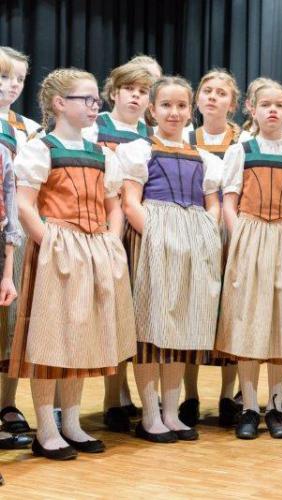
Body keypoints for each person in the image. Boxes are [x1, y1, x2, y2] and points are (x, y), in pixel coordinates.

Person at [9, 68, 137, 460]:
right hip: (57, 247)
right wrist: (50, 242)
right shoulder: (41, 149)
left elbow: (114, 205)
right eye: (87, 99)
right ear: (60, 103)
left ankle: (72, 423)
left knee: (81, 336)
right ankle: (46, 430)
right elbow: (24, 204)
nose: (95, 106)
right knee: (51, 338)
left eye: (97, 100)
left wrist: (111, 241)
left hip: (94, 248)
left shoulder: (102, 154)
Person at [118, 76, 223, 443]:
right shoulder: (139, 150)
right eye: (166, 105)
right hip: (153, 239)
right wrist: (159, 235)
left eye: (181, 106)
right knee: (151, 329)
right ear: (153, 109)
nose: (174, 112)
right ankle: (150, 416)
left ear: (190, 110)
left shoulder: (204, 158)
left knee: (182, 326)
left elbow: (213, 204)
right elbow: (130, 201)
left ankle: (171, 412)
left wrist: (203, 232)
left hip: (193, 242)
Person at [216, 79, 282, 440]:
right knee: (248, 320)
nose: (272, 110)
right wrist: (240, 237)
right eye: (265, 105)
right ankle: (248, 406)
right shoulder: (240, 151)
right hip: (250, 235)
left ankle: (275, 406)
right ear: (252, 110)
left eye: (279, 105)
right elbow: (230, 200)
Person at [81, 61, 155, 433]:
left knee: (135, 316)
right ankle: (112, 397)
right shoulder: (95, 127)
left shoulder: (153, 134)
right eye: (129, 90)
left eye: (143, 92)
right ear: (113, 92)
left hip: (139, 230)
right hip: (103, 226)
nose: (136, 97)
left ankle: (131, 396)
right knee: (108, 313)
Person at [179, 68, 248, 428]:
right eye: (207, 91)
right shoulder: (184, 138)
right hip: (193, 228)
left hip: (232, 230)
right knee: (192, 308)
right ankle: (189, 395)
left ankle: (227, 395)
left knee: (231, 309)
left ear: (232, 104)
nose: (213, 97)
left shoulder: (245, 141)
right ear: (197, 99)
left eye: (221, 93)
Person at [0, 46, 41, 435]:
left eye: (19, 78)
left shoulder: (29, 128)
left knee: (10, 324)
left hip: (12, 235)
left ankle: (7, 403)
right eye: (4, 76)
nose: (12, 85)